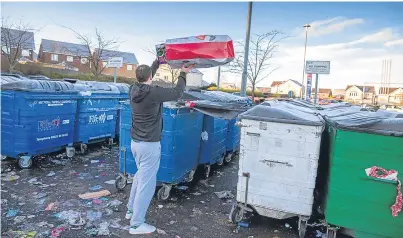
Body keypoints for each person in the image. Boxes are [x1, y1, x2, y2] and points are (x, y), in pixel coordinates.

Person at [126, 59, 193, 235]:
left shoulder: (132, 89)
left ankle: (130, 210)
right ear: (150, 77)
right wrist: (183, 72)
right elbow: (178, 92)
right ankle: (136, 224)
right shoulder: (153, 93)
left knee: (140, 176)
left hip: (135, 143)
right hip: (149, 145)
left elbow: (147, 77)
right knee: (146, 185)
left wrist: (157, 62)